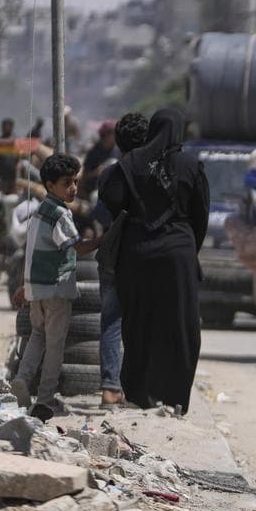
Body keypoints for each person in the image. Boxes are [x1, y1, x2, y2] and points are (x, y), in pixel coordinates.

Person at [100, 108, 210, 413]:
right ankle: (175, 398)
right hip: (179, 254)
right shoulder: (190, 165)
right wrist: (187, 249)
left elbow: (111, 201)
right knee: (181, 327)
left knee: (138, 324)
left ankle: (138, 394)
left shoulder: (130, 164)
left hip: (137, 255)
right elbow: (201, 215)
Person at [11, 153, 97, 422]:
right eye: (66, 182)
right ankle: (46, 400)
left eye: (75, 182)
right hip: (57, 290)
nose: (73, 188)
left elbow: (30, 252)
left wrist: (23, 286)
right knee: (55, 344)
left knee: (37, 336)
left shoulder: (38, 212)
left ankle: (23, 379)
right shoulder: (60, 214)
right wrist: (107, 238)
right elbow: (78, 247)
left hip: (36, 290)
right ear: (49, 185)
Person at [89, 112, 149, 407]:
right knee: (141, 323)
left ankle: (111, 388)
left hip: (113, 255)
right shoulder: (152, 173)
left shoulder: (111, 173)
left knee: (111, 322)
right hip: (144, 257)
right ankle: (137, 388)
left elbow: (99, 214)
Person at [81, 120, 118, 199]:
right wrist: (96, 172)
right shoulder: (94, 153)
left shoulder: (117, 150)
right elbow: (84, 176)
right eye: (114, 133)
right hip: (95, 190)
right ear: (106, 135)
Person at [0, 118, 19, 190]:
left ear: (12, 127)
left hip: (13, 173)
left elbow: (19, 157)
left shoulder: (15, 141)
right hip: (0, 173)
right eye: (4, 126)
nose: (6, 128)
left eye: (8, 126)